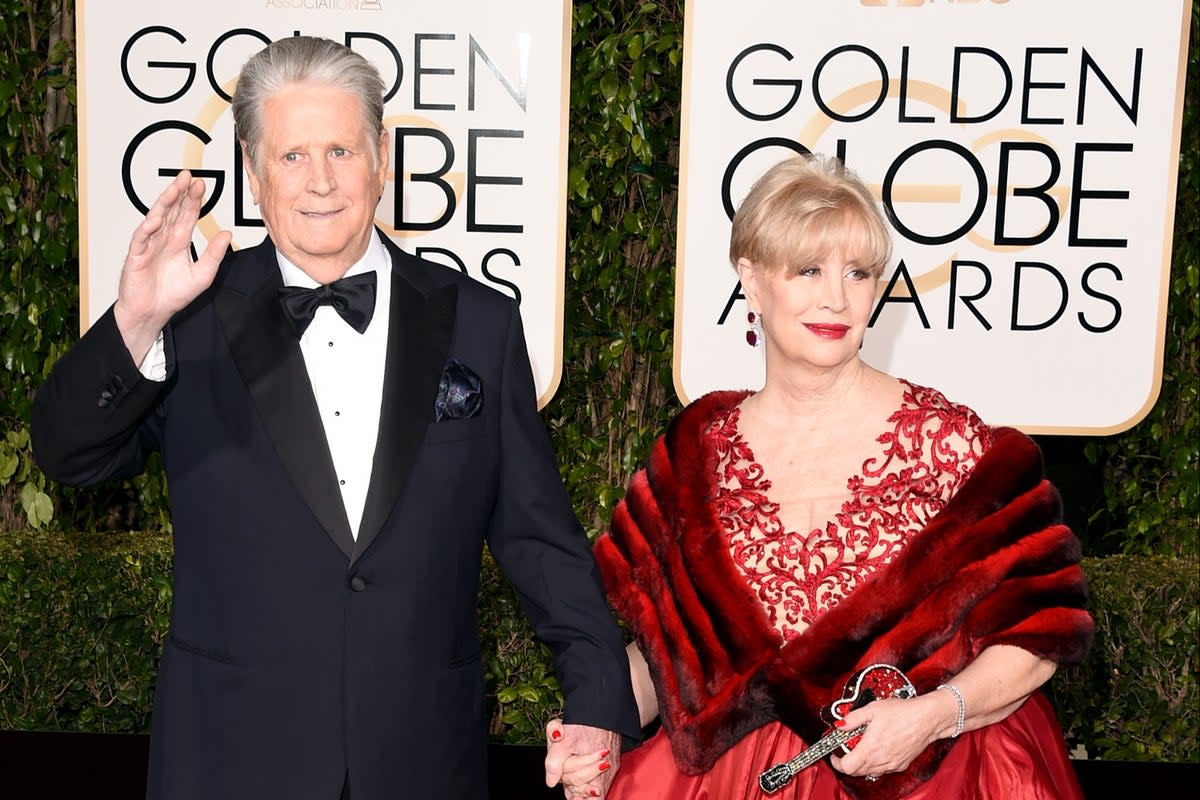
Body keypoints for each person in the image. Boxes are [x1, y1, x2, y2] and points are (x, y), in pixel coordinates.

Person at [31, 36, 637, 800]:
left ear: (381, 158)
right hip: (228, 764)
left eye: (341, 150)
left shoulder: (479, 324)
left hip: (423, 761)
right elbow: (66, 454)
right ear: (252, 172)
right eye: (290, 157)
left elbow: (539, 538)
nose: (319, 181)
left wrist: (595, 703)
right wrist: (136, 321)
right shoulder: (189, 318)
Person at [560, 154, 1093, 799]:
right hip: (737, 776)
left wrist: (931, 714)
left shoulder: (950, 444)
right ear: (752, 280)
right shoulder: (697, 450)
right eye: (809, 270)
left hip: (933, 773)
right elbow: (672, 659)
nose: (836, 298)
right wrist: (600, 724)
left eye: (858, 272)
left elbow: (1042, 630)